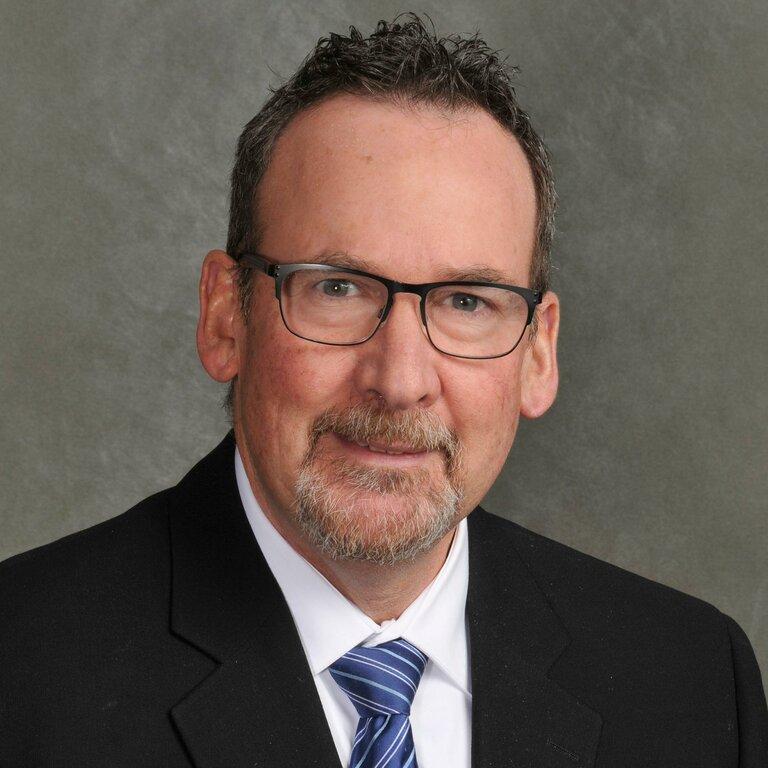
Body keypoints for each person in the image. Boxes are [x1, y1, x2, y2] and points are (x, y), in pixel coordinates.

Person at [1, 13, 765, 768]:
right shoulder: (23, 675)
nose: (399, 381)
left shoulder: (692, 684)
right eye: (337, 288)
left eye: (467, 302)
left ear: (539, 353)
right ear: (225, 317)